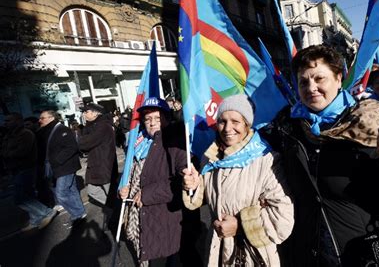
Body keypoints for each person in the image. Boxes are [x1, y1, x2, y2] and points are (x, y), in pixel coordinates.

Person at [264, 45, 379, 266]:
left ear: (337, 78)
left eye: (319, 79)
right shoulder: (287, 127)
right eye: (303, 82)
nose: (311, 88)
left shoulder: (373, 121)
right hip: (309, 255)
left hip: (369, 255)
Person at [182, 94, 294, 266]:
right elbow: (206, 198)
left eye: (235, 121)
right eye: (222, 121)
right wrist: (194, 185)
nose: (227, 128)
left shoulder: (265, 160)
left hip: (252, 256)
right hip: (217, 254)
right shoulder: (210, 158)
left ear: (247, 125)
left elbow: (283, 217)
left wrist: (240, 225)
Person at [119, 97, 189, 266]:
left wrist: (148, 194)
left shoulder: (175, 142)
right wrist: (123, 185)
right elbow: (131, 169)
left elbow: (182, 182)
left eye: (158, 118)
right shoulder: (139, 140)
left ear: (167, 118)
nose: (152, 123)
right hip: (138, 211)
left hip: (162, 216)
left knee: (163, 258)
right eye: (148, 119)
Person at [1, 113, 57, 230]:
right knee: (29, 195)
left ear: (17, 121)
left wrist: (6, 154)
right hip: (15, 169)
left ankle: (46, 212)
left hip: (25, 168)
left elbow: (21, 152)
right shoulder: (9, 135)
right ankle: (35, 219)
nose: (5, 123)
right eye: (5, 121)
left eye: (8, 120)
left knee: (20, 198)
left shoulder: (26, 134)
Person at [37, 110, 87, 228]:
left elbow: (71, 147)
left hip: (65, 166)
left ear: (51, 118)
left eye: (42, 118)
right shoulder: (46, 131)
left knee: (61, 193)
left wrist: (56, 160)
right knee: (71, 190)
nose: (39, 120)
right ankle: (80, 214)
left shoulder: (62, 130)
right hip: (59, 167)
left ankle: (76, 214)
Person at [78, 103, 117, 229]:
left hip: (105, 165)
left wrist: (78, 139)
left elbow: (85, 143)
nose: (84, 114)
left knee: (109, 192)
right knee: (93, 191)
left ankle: (116, 214)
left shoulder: (103, 126)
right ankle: (114, 209)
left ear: (96, 113)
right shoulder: (93, 126)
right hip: (97, 164)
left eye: (86, 111)